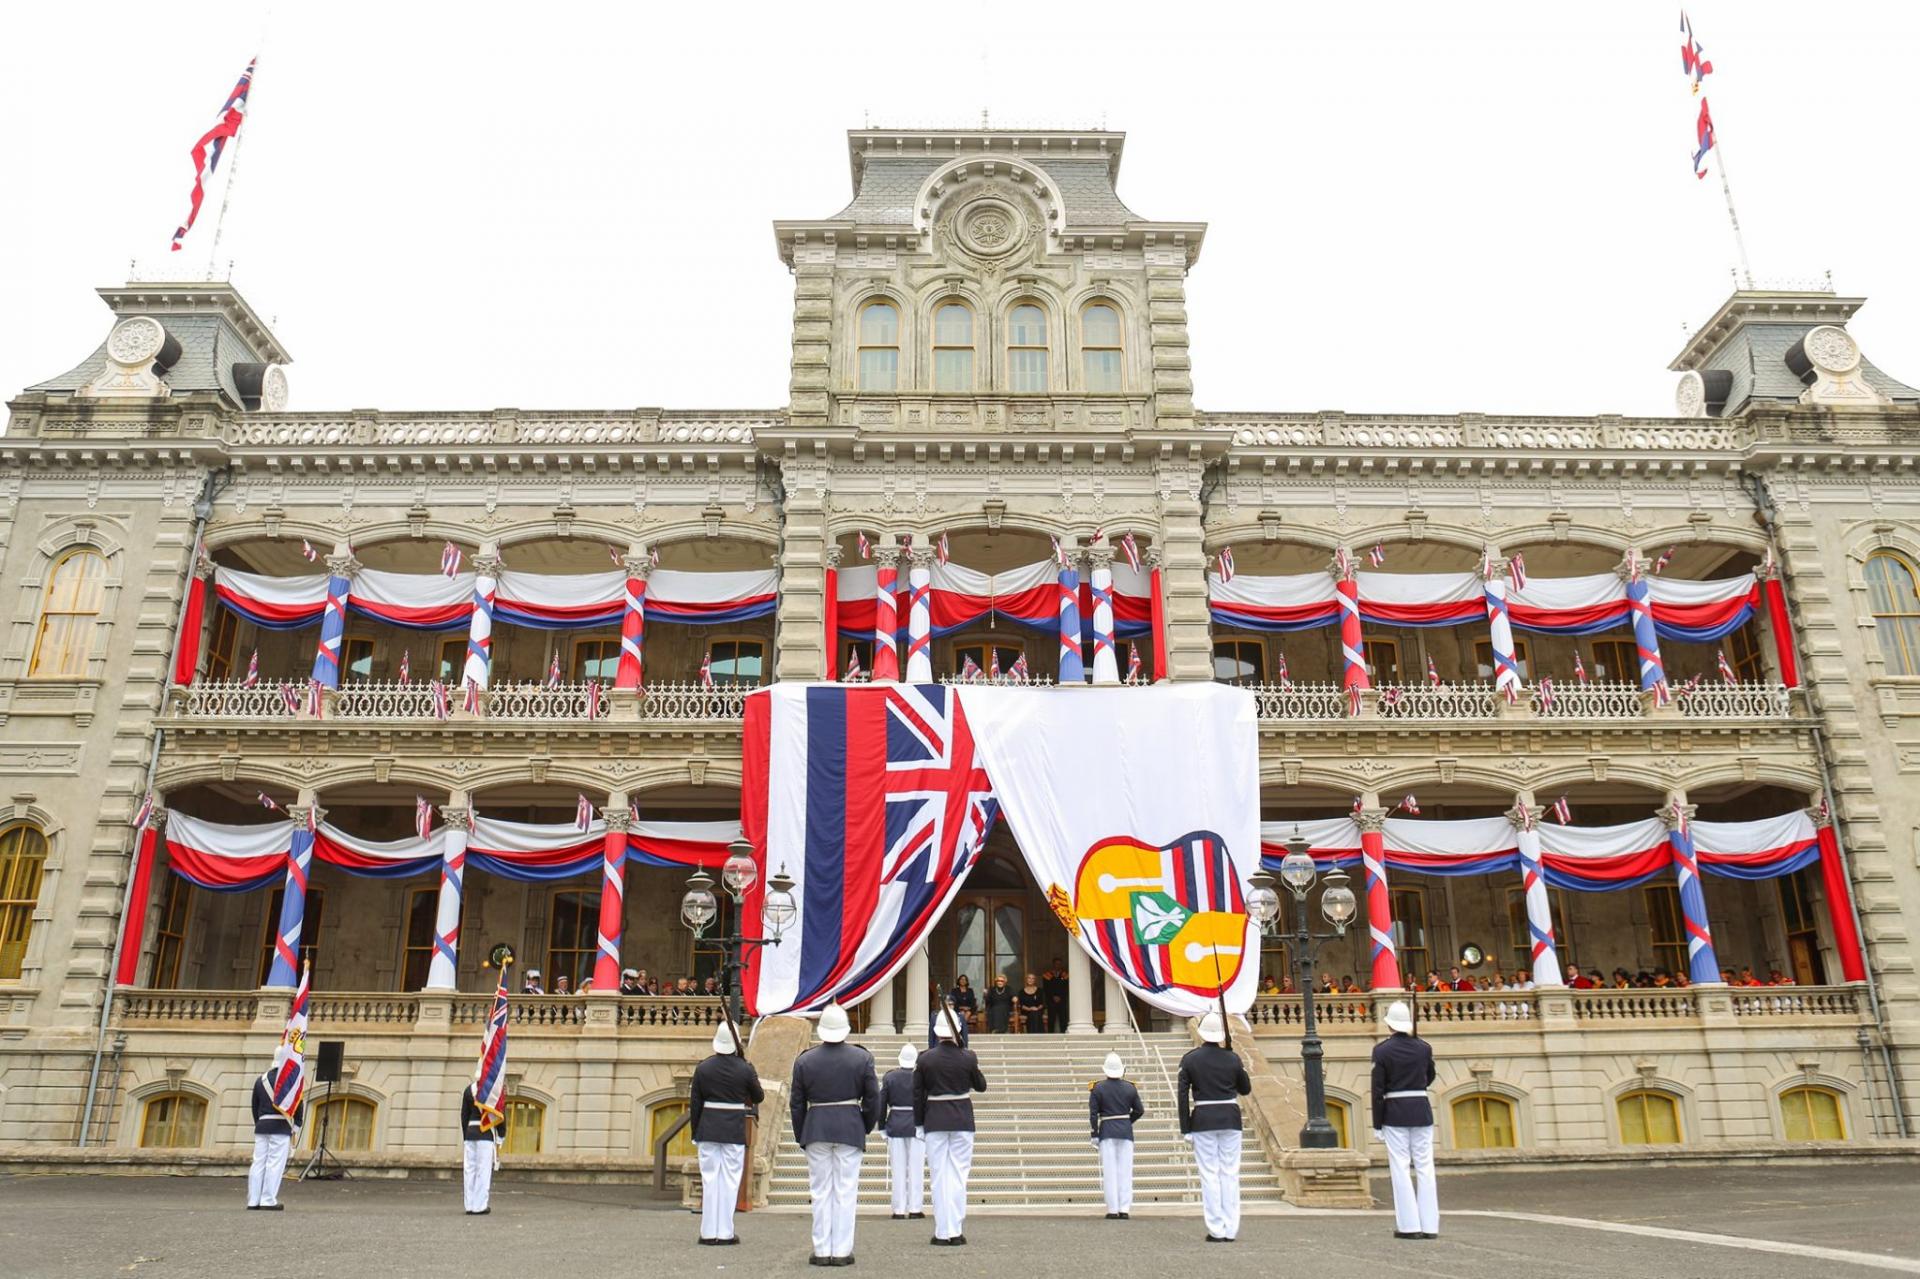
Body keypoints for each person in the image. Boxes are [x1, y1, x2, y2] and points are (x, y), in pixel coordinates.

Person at [789, 1003, 880, 1267]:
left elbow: (797, 1103)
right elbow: (873, 1098)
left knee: (820, 1191)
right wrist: (864, 1124)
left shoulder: (804, 1060)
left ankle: (821, 1249)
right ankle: (841, 1251)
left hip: (816, 1126)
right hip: (849, 1126)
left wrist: (801, 1133)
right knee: (845, 1191)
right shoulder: (862, 1058)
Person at [915, 1007, 987, 1246]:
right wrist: (970, 1063)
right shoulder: (968, 1056)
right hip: (961, 1119)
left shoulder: (924, 1058)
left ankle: (942, 1231)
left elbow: (917, 1094)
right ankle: (955, 1230)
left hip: (934, 1119)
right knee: (958, 1176)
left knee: (938, 1176)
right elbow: (981, 1086)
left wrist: (918, 1123)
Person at [1177, 1011, 1251, 1243]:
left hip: (1203, 1118)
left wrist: (1185, 1127)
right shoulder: (1232, 1058)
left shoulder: (1190, 1059)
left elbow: (1182, 1095)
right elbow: (1245, 1088)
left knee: (1209, 1174)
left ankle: (1216, 1228)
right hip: (1230, 1117)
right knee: (1230, 1173)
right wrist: (1237, 1066)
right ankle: (1231, 1228)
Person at [690, 1021, 763, 1246]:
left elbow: (695, 1104)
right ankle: (725, 1231)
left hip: (708, 1128)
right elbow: (758, 1096)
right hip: (732, 1128)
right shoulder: (744, 1068)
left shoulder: (703, 1067)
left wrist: (695, 1131)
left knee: (710, 1180)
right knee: (730, 1181)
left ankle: (708, 1232)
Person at [1371, 1000, 1439, 1240]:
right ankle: (1430, 1224)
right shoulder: (1424, 1047)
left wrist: (1377, 1123)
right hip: (1421, 1108)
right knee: (1425, 1167)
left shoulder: (1382, 1051)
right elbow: (1430, 1076)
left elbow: (1377, 1089)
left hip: (1395, 1111)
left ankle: (1409, 1225)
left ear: (1389, 1025)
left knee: (1400, 1167)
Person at [1090, 1050, 1145, 1220]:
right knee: (1125, 1171)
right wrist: (1128, 1121)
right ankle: (1124, 1208)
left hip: (1107, 1130)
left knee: (1110, 1171)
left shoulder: (1097, 1088)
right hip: (1125, 1130)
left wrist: (1094, 1133)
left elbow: (1093, 1114)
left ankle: (1112, 1208)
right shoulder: (1130, 1087)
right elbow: (1139, 1110)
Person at [246, 1068, 302, 1210]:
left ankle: (253, 1200)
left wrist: (259, 1123)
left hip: (262, 1125)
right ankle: (268, 1199)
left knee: (258, 1163)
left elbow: (255, 1106)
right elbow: (297, 1103)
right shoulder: (289, 1080)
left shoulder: (260, 1080)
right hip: (280, 1126)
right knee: (274, 1164)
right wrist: (296, 1125)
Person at [881, 1044, 926, 1221]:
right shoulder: (921, 1078)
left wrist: (881, 1125)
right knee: (916, 1169)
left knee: (898, 1169)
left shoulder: (890, 1077)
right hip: (916, 1125)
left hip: (896, 1123)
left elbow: (882, 1102)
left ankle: (899, 1209)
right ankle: (915, 1208)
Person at [460, 1080, 502, 1215]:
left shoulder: (468, 1090)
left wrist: (465, 1135)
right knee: (482, 1171)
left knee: (469, 1170)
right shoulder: (492, 1090)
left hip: (470, 1131)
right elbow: (500, 1113)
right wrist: (501, 1135)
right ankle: (480, 1205)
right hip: (485, 1134)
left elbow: (464, 1115)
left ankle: (469, 1205)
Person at [1043, 960, 1069, 1033]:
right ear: (1053, 964)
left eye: (1059, 964)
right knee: (1051, 1019)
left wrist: (1060, 997)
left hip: (1062, 1000)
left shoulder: (1065, 975)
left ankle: (1064, 1034)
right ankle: (1050, 1034)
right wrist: (1053, 997)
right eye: (1056, 964)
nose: (1058, 965)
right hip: (1051, 1000)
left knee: (1063, 1018)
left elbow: (1067, 988)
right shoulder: (1047, 975)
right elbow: (1046, 988)